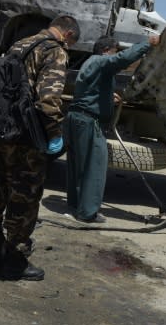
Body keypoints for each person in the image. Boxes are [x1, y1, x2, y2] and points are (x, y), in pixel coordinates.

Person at [0, 15, 79, 281]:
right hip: (25, 138)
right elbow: (48, 99)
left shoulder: (19, 45)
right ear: (68, 35)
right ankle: (14, 262)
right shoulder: (54, 50)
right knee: (23, 199)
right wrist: (54, 134)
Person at [65, 34, 159, 223]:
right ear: (107, 50)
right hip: (89, 121)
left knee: (78, 166)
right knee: (94, 166)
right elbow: (122, 60)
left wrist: (108, 98)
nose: (115, 55)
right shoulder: (101, 61)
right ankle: (87, 214)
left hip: (76, 118)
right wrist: (147, 44)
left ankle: (76, 206)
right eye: (114, 51)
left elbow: (91, 90)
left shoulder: (90, 63)